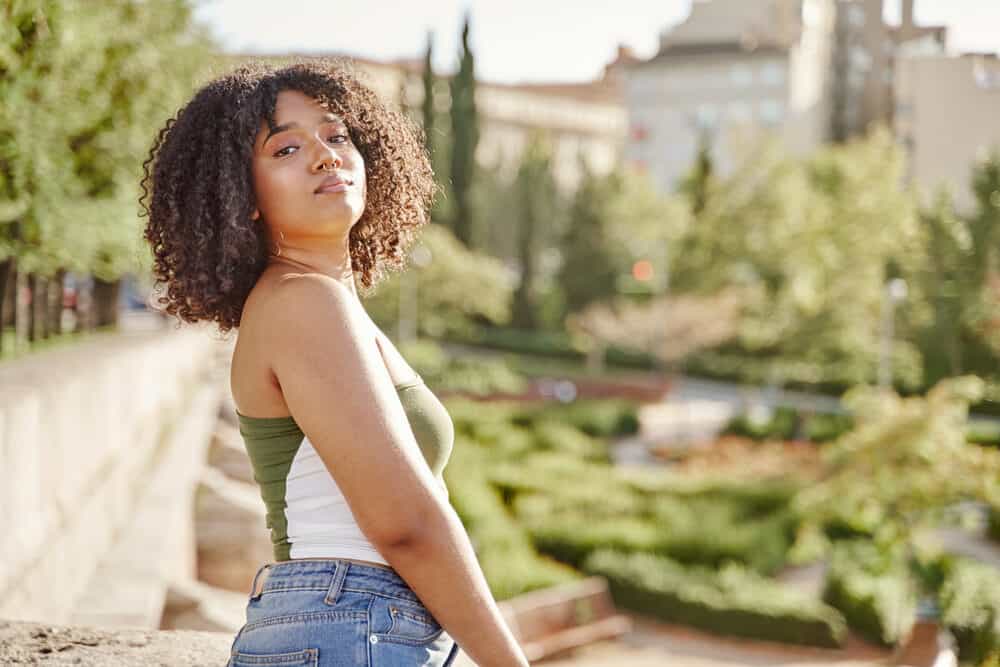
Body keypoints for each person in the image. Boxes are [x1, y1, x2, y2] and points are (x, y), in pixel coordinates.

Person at [141, 59, 529, 667]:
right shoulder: (303, 303)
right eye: (287, 148)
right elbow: (406, 523)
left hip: (357, 624)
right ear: (242, 199)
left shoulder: (318, 302)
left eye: (337, 134)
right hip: (353, 624)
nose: (326, 155)